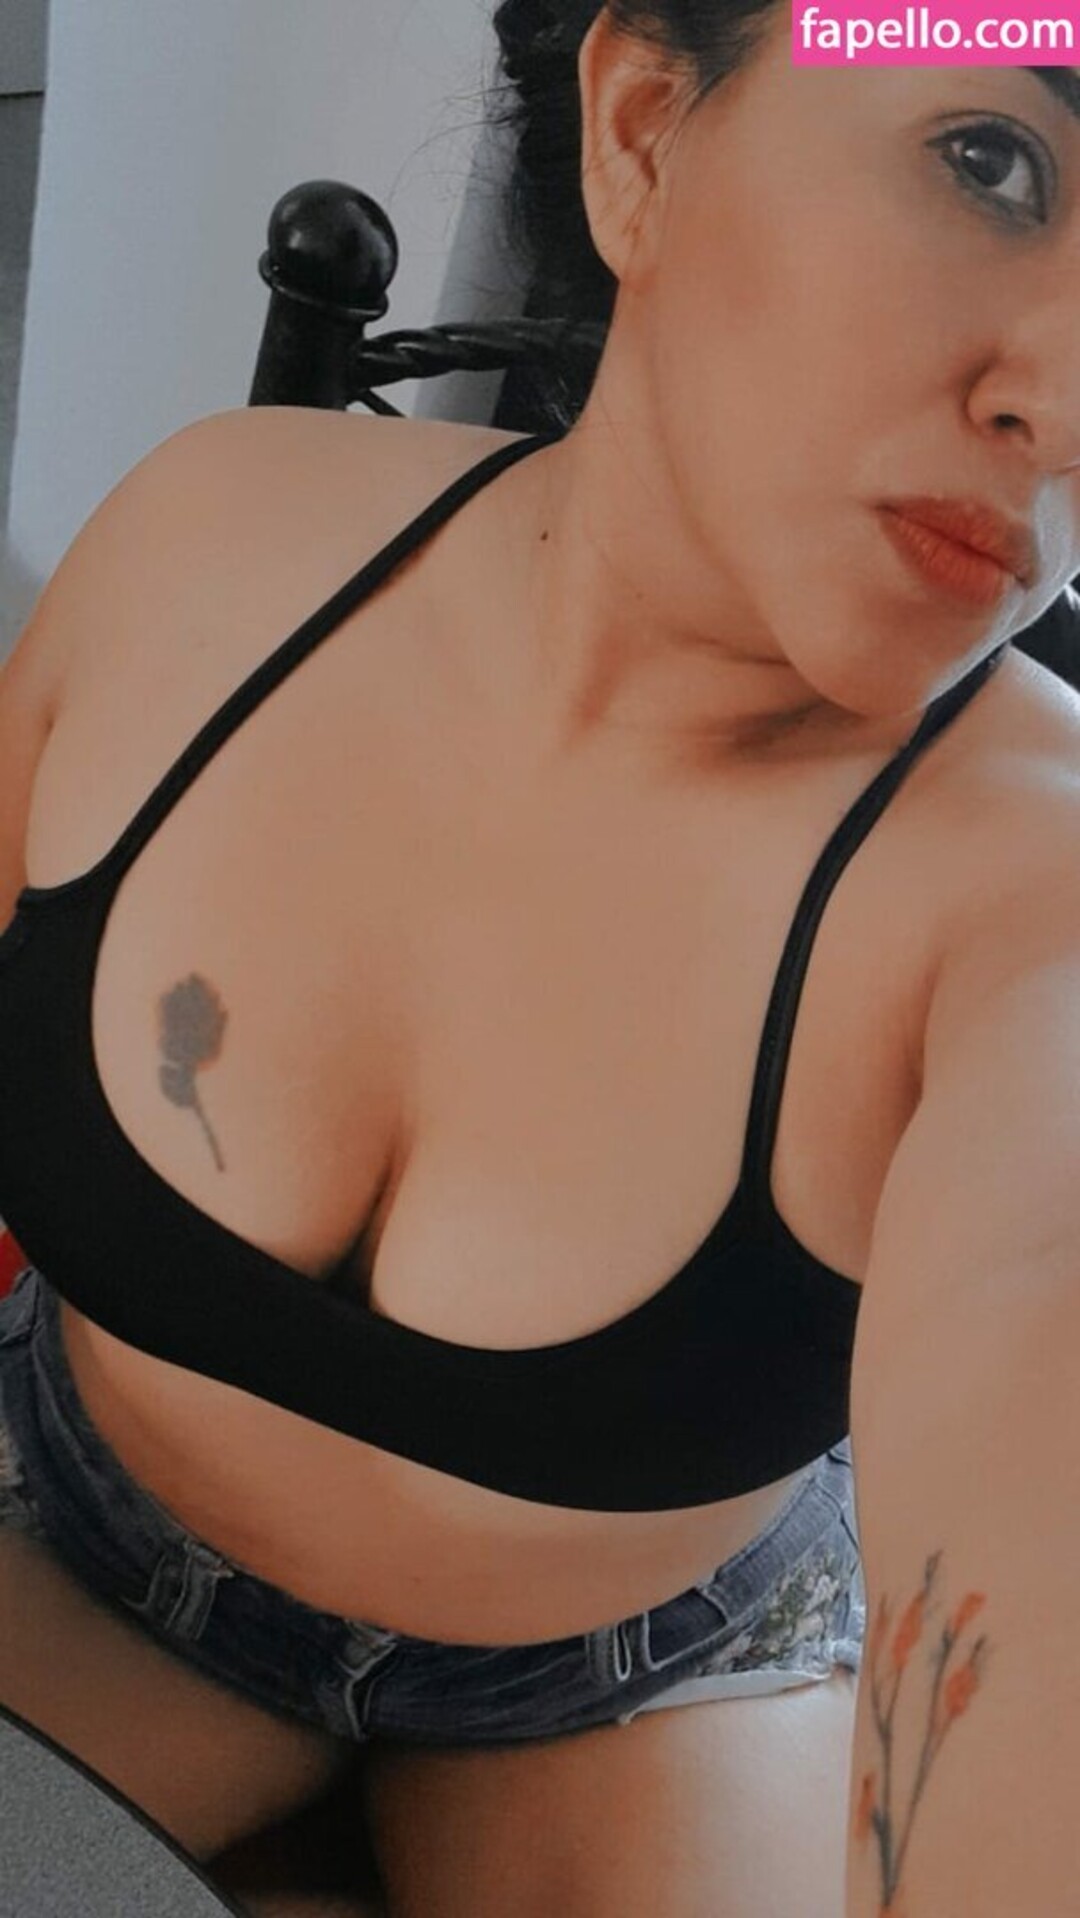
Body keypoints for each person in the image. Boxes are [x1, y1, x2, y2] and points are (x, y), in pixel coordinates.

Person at [1, 3, 1079, 1914]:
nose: (1067, 405)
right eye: (991, 160)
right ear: (646, 130)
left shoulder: (1033, 902)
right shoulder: (207, 538)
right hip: (81, 1548)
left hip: (641, 1695)